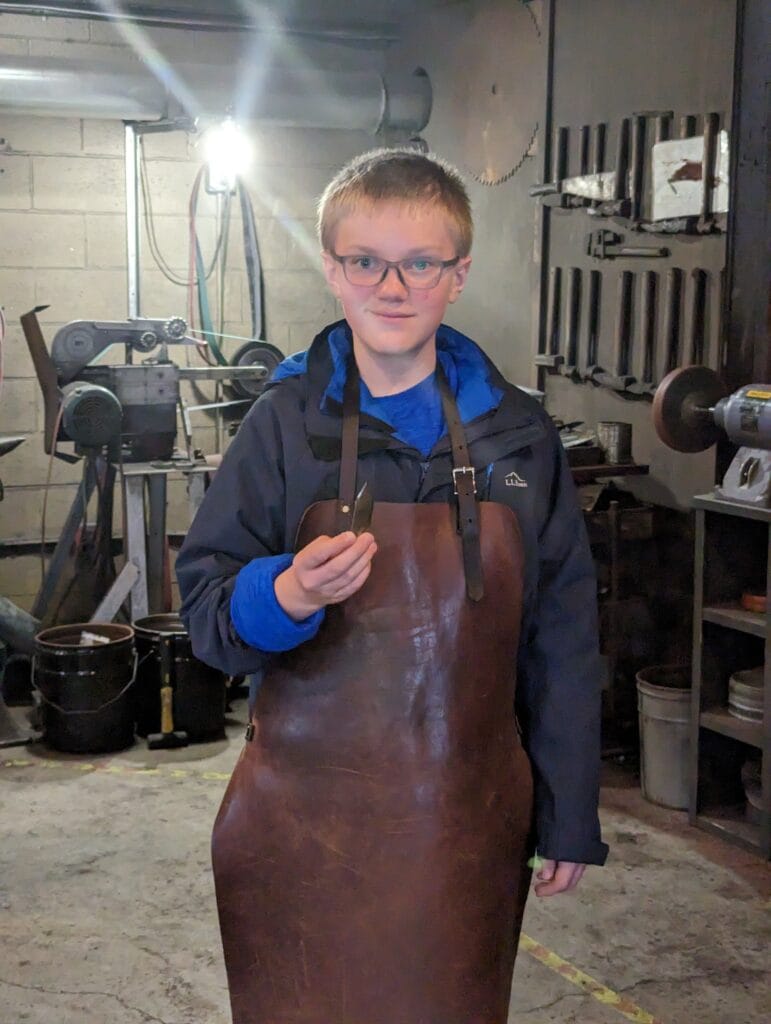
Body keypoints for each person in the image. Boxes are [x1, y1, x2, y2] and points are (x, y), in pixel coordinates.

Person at [176, 147, 608, 1024]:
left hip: (465, 824)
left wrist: (569, 812)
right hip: (302, 827)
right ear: (333, 271)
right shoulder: (281, 428)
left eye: (420, 262)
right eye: (365, 261)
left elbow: (561, 640)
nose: (393, 285)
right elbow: (207, 618)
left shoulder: (517, 437)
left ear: (458, 274)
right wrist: (286, 594)